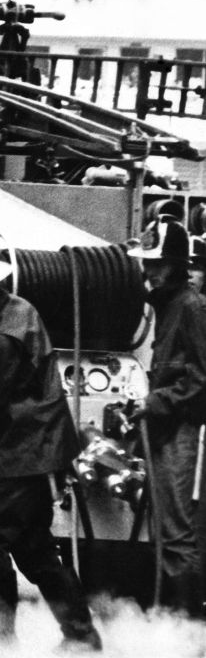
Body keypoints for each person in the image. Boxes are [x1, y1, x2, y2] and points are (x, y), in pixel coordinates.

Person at [0, 245, 102, 649]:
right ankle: (80, 636)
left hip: (20, 453)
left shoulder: (0, 340)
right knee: (33, 548)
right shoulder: (18, 309)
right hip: (38, 449)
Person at [127, 216, 206, 618]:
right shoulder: (169, 305)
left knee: (176, 534)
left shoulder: (190, 307)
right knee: (165, 531)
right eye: (147, 263)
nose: (148, 271)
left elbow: (202, 377)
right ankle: (170, 622)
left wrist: (158, 403)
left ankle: (188, 631)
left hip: (182, 430)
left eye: (156, 264)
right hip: (167, 428)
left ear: (176, 265)